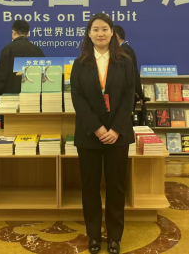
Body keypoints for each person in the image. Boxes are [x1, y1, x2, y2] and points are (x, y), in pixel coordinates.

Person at [71, 13, 135, 254]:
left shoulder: (125, 61)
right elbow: (77, 98)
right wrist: (97, 128)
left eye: (105, 29)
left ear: (112, 33)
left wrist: (115, 129)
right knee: (90, 187)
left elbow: (128, 97)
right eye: (95, 29)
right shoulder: (80, 63)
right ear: (89, 33)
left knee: (116, 187)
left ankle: (115, 236)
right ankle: (94, 235)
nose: (100, 33)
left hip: (118, 135)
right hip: (90, 135)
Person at [0, 20, 44, 104]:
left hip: (10, 98)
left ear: (14, 32)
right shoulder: (38, 50)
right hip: (33, 98)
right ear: (28, 33)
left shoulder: (7, 49)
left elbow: (1, 76)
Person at [114, 25, 144, 108]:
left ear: (116, 36)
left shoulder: (125, 51)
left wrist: (140, 93)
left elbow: (133, 72)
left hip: (125, 95)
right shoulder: (124, 49)